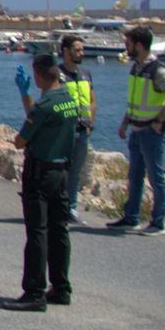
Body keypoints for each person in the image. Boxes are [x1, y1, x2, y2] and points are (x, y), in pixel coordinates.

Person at [5, 53, 80, 311]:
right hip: (61, 173)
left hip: (39, 173)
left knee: (37, 232)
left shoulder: (43, 106)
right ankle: (61, 288)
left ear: (37, 75)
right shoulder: (70, 101)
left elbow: (21, 139)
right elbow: (40, 119)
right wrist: (26, 97)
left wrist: (26, 97)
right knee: (59, 231)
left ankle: (34, 292)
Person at [108, 25, 165, 236]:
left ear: (139, 45)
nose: (126, 48)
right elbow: (134, 100)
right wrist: (124, 123)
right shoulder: (136, 68)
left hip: (151, 133)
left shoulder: (157, 70)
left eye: (128, 44)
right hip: (136, 129)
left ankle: (158, 222)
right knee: (134, 176)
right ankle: (131, 217)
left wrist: (160, 119)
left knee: (155, 177)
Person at [57, 35, 95, 223]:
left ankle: (71, 208)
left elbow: (92, 100)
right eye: (77, 49)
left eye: (82, 49)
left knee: (76, 171)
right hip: (64, 132)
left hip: (82, 131)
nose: (82, 53)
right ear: (66, 51)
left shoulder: (86, 73)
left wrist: (90, 123)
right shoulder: (57, 74)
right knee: (61, 170)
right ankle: (58, 207)